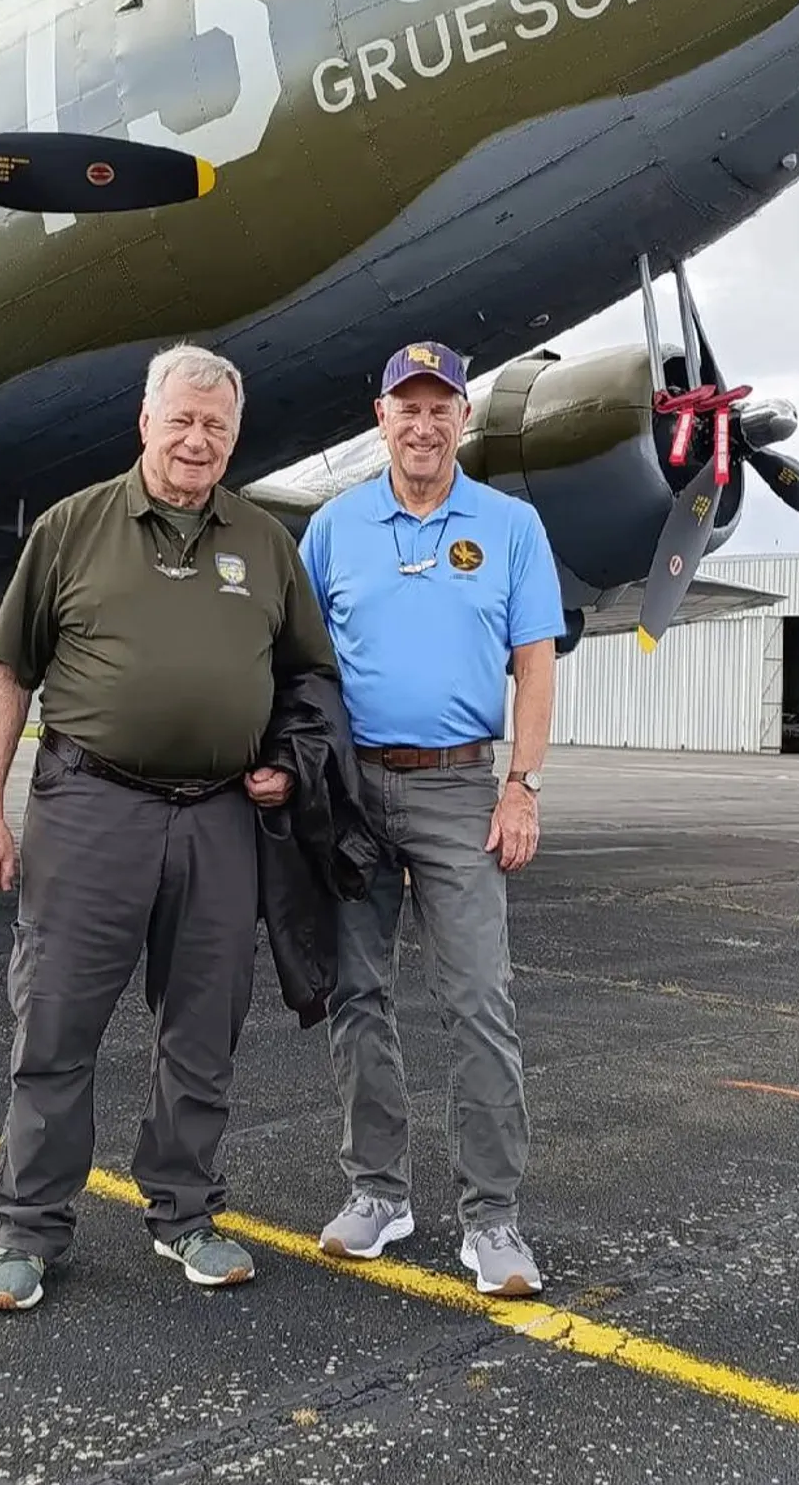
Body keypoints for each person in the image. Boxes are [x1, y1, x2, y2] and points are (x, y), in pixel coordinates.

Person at [0, 342, 339, 1311]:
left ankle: (185, 1214)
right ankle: (28, 1231)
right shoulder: (72, 528)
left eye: (216, 425)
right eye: (181, 419)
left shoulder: (262, 543)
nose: (196, 439)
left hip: (218, 819)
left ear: (234, 436)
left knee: (204, 1028)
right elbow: (7, 674)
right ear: (144, 422)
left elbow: (310, 678)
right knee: (55, 1023)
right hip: (89, 807)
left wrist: (286, 765)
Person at [298, 340, 564, 1297]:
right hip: (354, 791)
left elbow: (535, 660)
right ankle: (377, 1192)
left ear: (463, 419)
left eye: (439, 405)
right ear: (381, 418)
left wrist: (522, 785)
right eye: (404, 406)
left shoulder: (510, 526)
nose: (421, 423)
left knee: (479, 1002)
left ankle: (492, 1217)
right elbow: (299, 665)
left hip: (462, 788)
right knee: (355, 997)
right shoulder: (331, 529)